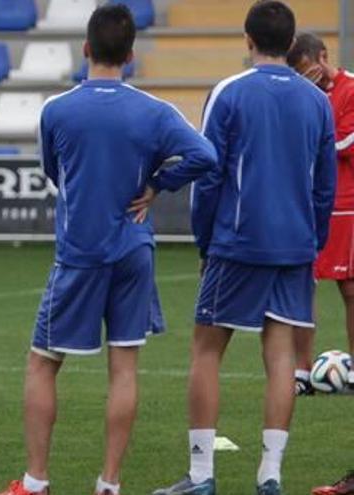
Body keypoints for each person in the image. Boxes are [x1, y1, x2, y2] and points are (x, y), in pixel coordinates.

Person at [0, 5, 218, 495]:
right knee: (125, 367)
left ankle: (35, 483)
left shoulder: (58, 109)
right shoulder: (155, 111)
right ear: (131, 55)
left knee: (42, 362)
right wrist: (158, 183)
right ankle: (109, 484)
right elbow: (205, 155)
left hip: (81, 252)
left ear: (87, 49)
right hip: (134, 249)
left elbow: (55, 173)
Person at [152, 2, 336, 495]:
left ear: (248, 39)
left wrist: (205, 239)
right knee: (280, 356)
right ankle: (269, 475)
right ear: (293, 41)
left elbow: (209, 172)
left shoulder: (228, 93)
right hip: (295, 245)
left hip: (238, 241)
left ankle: (201, 475)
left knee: (206, 350)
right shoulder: (317, 100)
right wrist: (313, 239)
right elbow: (325, 185)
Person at [286, 32, 354, 395]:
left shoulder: (351, 89)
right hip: (307, 203)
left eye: (309, 70)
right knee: (302, 286)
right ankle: (301, 372)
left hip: (347, 203)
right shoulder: (300, 94)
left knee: (350, 288)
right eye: (300, 74)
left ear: (324, 57)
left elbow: (344, 144)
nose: (307, 79)